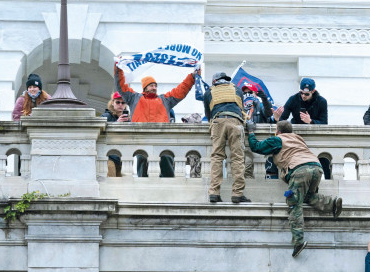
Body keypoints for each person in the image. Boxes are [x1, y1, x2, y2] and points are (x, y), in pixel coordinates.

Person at [247, 120, 343, 256]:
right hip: (316, 167)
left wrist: (251, 131)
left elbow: (256, 147)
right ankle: (332, 204)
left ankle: (298, 241)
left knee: (294, 203)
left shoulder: (278, 139)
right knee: (307, 196)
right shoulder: (299, 139)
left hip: (300, 170)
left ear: (278, 131)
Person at [203, 72, 249, 204]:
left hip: (218, 121)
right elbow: (241, 108)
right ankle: (237, 194)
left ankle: (214, 193)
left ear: (214, 81)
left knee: (217, 156)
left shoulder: (209, 92)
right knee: (237, 158)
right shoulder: (237, 89)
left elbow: (208, 113)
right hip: (235, 122)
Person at [113, 65, 196, 123]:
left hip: (160, 140)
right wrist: (118, 69)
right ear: (145, 88)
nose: (154, 88)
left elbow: (181, 90)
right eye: (151, 85)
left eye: (155, 86)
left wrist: (192, 77)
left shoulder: (165, 100)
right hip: (139, 139)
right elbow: (121, 86)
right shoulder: (134, 98)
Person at [240, 83, 273, 180]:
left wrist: (265, 100)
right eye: (244, 93)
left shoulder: (259, 104)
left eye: (249, 92)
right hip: (242, 140)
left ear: (255, 94)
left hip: (256, 140)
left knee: (255, 171)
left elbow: (268, 113)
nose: (247, 95)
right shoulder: (240, 105)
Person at [102, 92, 130, 177]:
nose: (120, 105)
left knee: (123, 186)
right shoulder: (106, 116)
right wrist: (117, 123)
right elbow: (101, 131)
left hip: (123, 157)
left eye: (123, 102)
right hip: (109, 156)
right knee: (111, 182)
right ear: (113, 103)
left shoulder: (128, 119)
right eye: (118, 102)